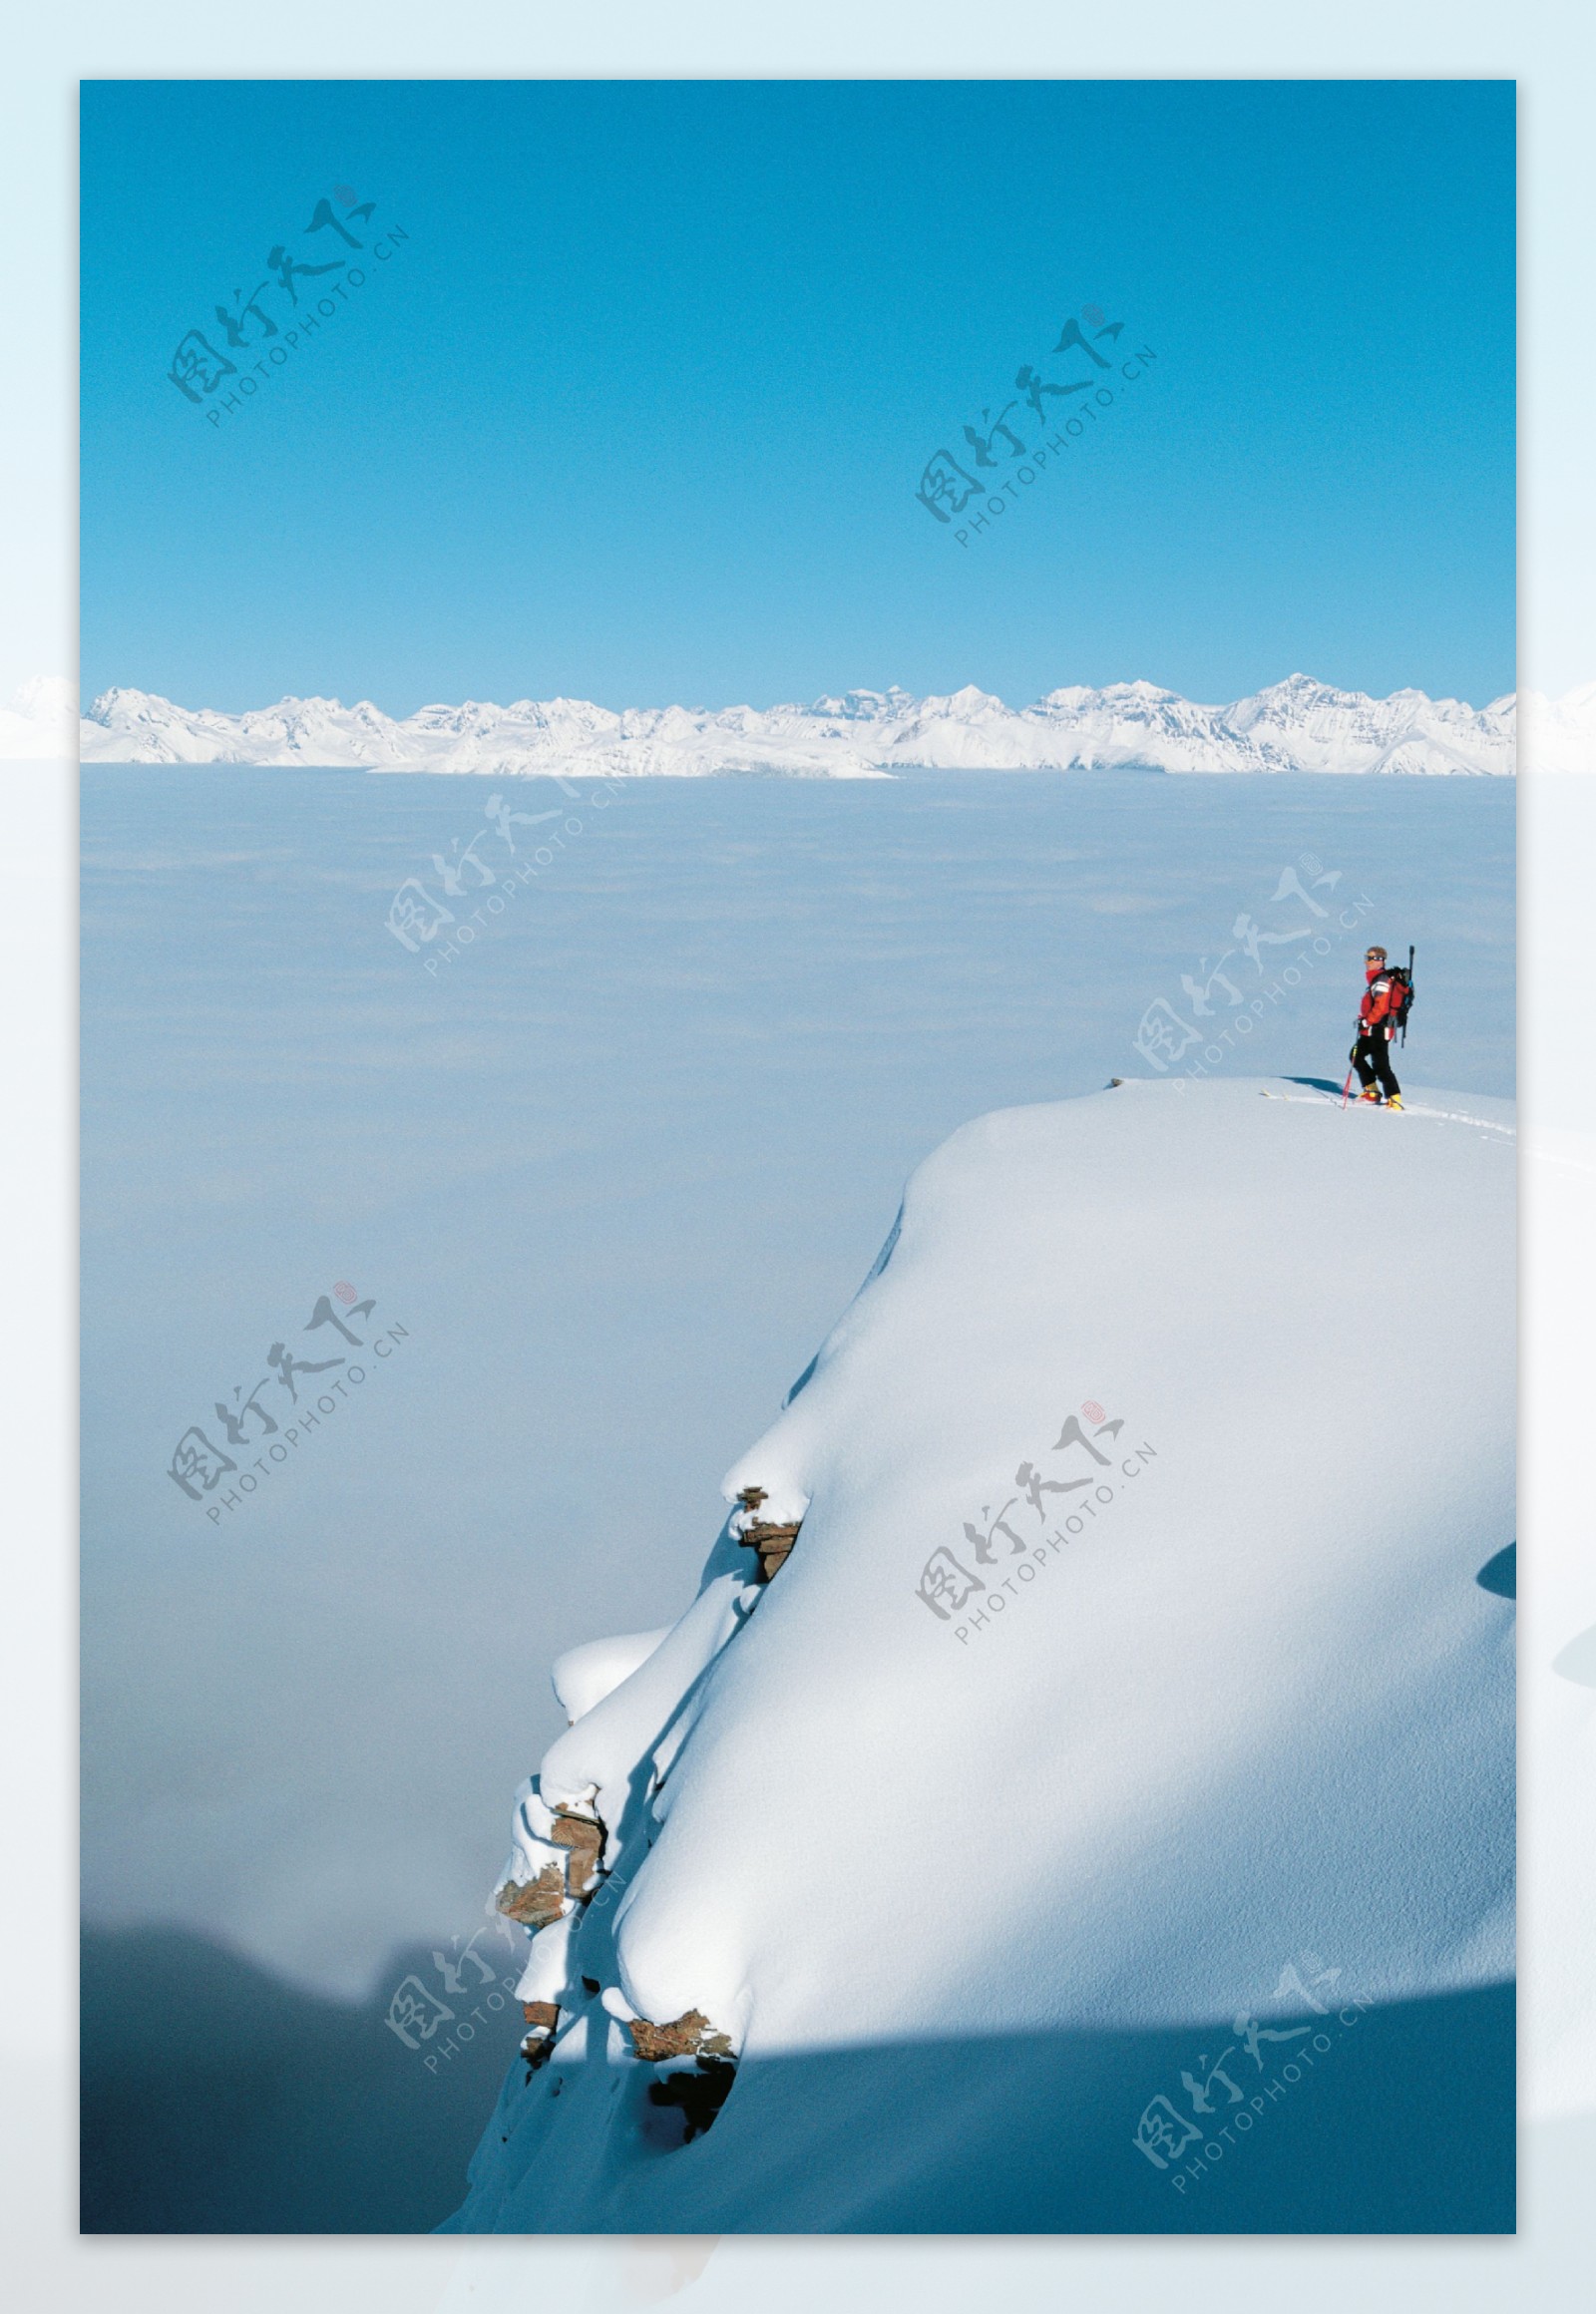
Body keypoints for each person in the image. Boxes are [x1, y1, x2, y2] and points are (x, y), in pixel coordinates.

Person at [1352, 946, 1404, 1108]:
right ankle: (1372, 1092)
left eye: (1369, 958)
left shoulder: (1381, 980)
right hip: (1372, 1028)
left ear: (1380, 961)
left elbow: (1381, 1007)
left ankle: (1394, 1098)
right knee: (1356, 1056)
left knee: (1380, 1064)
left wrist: (1366, 1021)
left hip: (1379, 1028)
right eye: (1366, 957)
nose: (1366, 961)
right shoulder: (1377, 978)